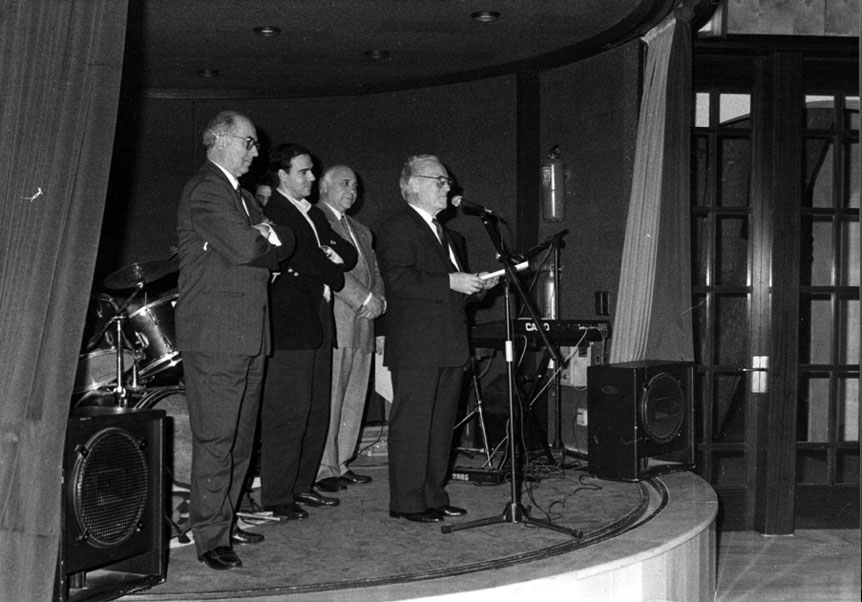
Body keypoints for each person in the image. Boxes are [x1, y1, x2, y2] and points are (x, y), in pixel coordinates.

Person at [175, 111, 295, 570]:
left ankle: (225, 520)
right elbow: (248, 248)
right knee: (217, 439)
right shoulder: (206, 189)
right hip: (216, 333)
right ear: (221, 140)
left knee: (241, 440)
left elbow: (282, 247)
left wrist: (262, 235)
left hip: (247, 332)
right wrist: (260, 238)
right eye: (248, 142)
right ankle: (210, 538)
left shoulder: (242, 197)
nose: (255, 151)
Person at [376, 154, 498, 523]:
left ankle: (433, 495)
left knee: (442, 425)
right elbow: (397, 280)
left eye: (448, 182)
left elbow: (450, 289)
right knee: (413, 425)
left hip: (448, 342)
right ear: (412, 184)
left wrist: (476, 286)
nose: (449, 188)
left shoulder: (449, 235)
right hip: (416, 344)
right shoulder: (397, 227)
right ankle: (407, 502)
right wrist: (451, 281)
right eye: (440, 181)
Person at [259, 143, 358, 521]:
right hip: (290, 324)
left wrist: (328, 260)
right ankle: (277, 495)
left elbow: (348, 253)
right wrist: (329, 265)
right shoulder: (276, 212)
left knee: (317, 410)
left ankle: (302, 485)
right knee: (289, 412)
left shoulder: (314, 214)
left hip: (317, 320)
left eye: (313, 171)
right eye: (303, 172)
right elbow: (305, 258)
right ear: (282, 176)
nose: (312, 178)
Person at [314, 165, 386, 493]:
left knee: (355, 397)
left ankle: (342, 463)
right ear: (324, 186)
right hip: (338, 319)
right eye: (345, 183)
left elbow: (374, 269)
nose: (352, 190)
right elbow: (330, 271)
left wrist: (380, 302)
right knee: (332, 396)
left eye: (356, 185)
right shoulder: (316, 219)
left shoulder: (362, 230)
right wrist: (364, 299)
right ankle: (324, 469)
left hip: (365, 322)